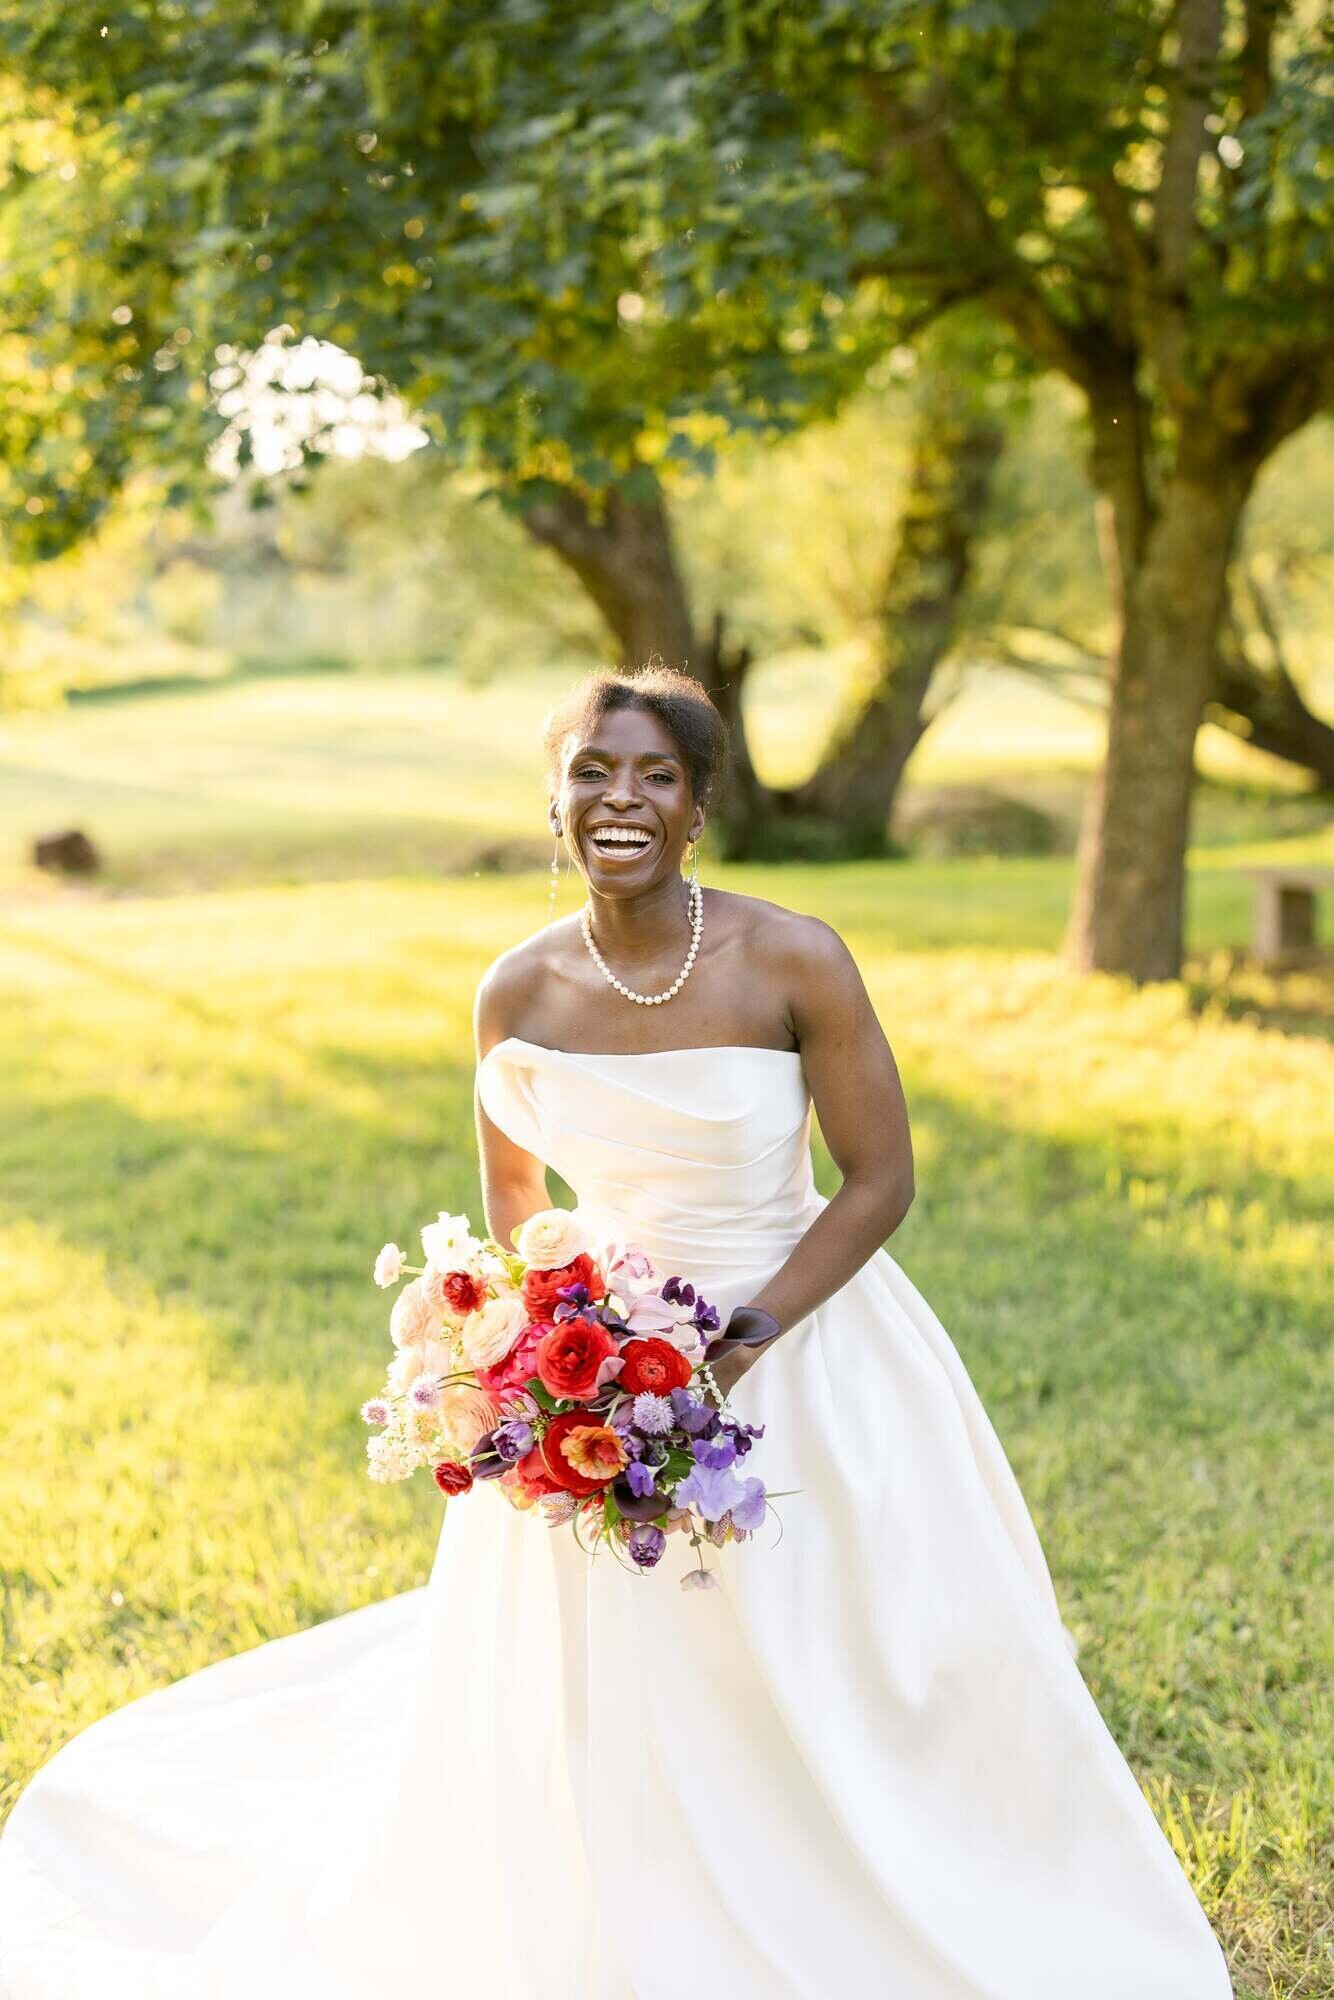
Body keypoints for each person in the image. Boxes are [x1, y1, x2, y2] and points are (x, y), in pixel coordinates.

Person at [0, 666, 1232, 1999]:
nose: (620, 798)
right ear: (553, 801)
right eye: (593, 772)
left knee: (848, 1648)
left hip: (805, 1341)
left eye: (654, 776)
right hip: (603, 1379)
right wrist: (531, 1364)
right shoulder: (514, 991)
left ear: (699, 807)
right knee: (608, 1672)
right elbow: (518, 1208)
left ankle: (889, 1879)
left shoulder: (791, 956)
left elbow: (881, 1180)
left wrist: (742, 1338)